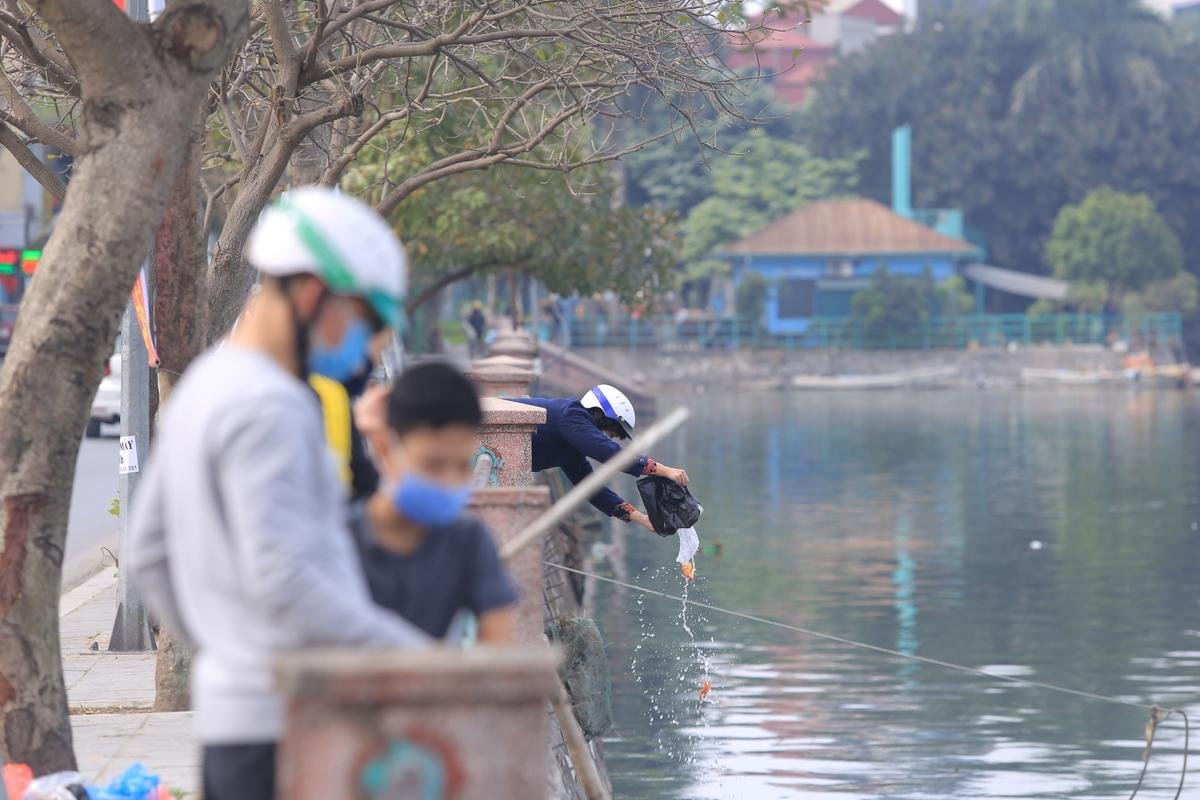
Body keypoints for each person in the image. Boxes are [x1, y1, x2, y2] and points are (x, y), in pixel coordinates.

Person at [125, 187, 429, 800]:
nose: (367, 348)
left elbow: (147, 553)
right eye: (366, 321)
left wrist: (228, 651)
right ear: (315, 293)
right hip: (294, 730)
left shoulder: (208, 382)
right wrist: (420, 661)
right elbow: (287, 578)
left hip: (233, 723)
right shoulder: (276, 405)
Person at [350, 361, 519, 641]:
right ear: (385, 449)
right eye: (433, 464)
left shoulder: (469, 540)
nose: (449, 481)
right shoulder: (341, 539)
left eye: (463, 466)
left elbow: (498, 652)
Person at [511, 385, 689, 532]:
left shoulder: (572, 449)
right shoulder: (571, 414)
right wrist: (665, 471)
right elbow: (610, 453)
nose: (607, 437)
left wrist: (641, 518)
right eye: (608, 431)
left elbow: (591, 488)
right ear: (599, 414)